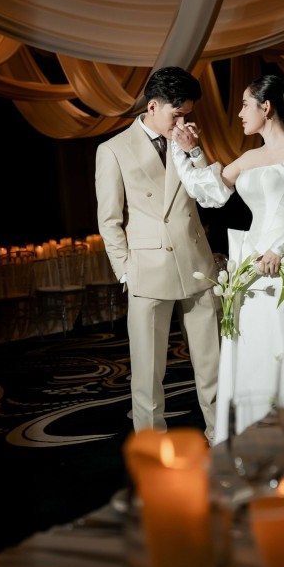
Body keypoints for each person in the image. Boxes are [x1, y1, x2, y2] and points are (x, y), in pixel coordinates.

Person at [171, 73, 284, 444]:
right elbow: (208, 192)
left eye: (245, 104)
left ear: (266, 107)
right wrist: (187, 151)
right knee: (255, 346)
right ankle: (260, 433)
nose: (240, 113)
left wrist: (280, 247)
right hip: (251, 265)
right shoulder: (249, 157)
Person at [95, 66, 221, 440]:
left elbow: (208, 195)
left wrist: (194, 150)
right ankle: (152, 452)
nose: (183, 123)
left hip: (197, 264)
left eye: (187, 115)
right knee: (148, 376)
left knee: (212, 365)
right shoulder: (113, 150)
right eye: (177, 115)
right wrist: (125, 270)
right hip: (147, 271)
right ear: (153, 106)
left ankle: (222, 437)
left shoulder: (187, 140)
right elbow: (109, 220)